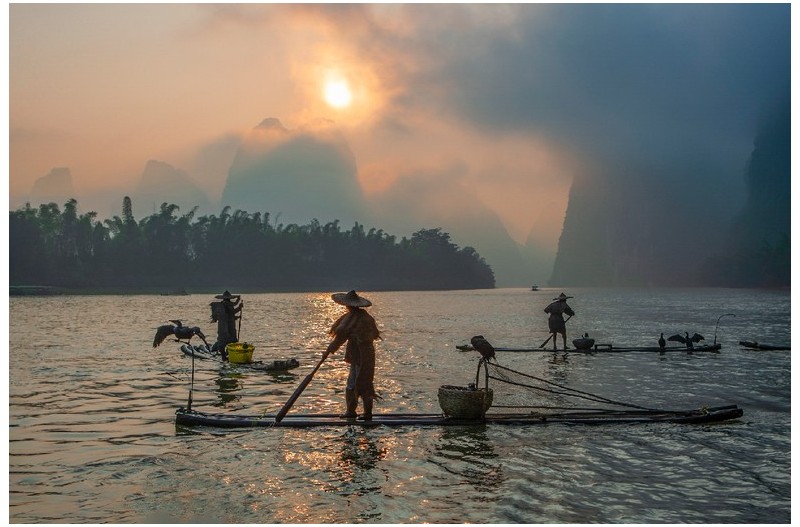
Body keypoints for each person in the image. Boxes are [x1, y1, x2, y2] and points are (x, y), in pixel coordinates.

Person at [325, 290, 382, 421]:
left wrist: (330, 350)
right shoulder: (362, 317)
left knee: (358, 383)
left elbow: (341, 337)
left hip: (362, 355)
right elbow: (373, 334)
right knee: (362, 382)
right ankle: (360, 412)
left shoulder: (353, 319)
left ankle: (354, 412)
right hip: (362, 355)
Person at [210, 290, 243, 360]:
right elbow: (232, 312)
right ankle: (226, 356)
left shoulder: (224, 304)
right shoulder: (226, 305)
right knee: (230, 341)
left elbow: (230, 315)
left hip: (225, 326)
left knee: (224, 341)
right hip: (226, 327)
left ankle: (225, 356)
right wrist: (239, 307)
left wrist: (236, 316)